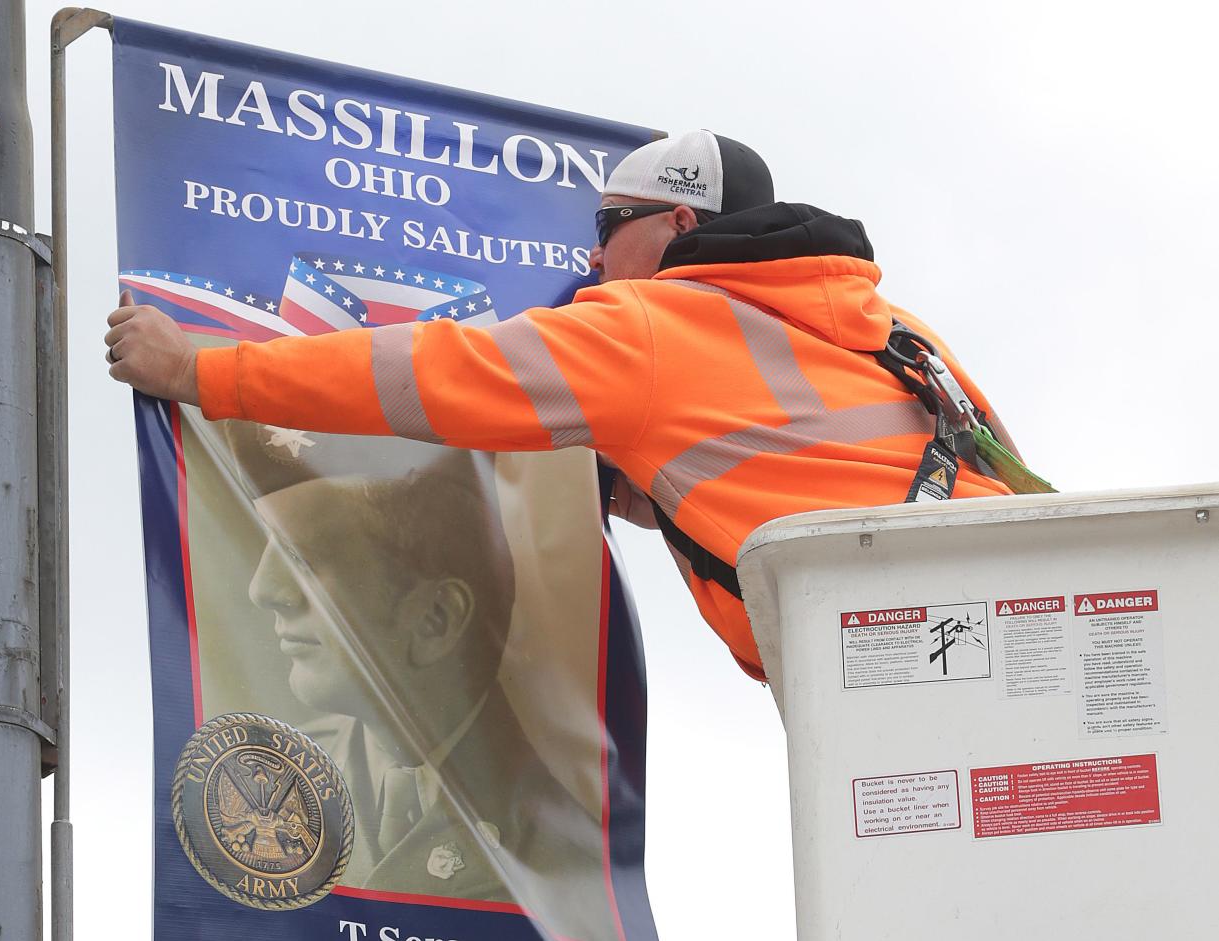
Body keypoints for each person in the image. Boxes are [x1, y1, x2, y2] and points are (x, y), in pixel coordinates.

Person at [106, 129, 1021, 681]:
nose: (589, 260)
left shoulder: (647, 327)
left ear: (680, 226)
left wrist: (201, 371)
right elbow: (968, 475)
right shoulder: (899, 329)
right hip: (1033, 614)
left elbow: (424, 372)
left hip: (900, 661)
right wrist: (658, 498)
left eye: (606, 227)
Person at [207, 422, 613, 934]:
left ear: (434, 619)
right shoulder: (268, 779)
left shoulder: (560, 852)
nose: (262, 590)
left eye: (302, 558)